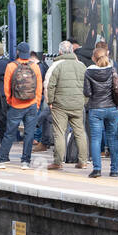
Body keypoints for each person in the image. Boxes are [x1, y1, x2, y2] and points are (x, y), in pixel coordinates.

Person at [0, 42, 43, 169]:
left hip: (16, 105)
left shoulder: (11, 66)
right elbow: (39, 87)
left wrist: (10, 101)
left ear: (18, 52)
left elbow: (6, 87)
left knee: (9, 133)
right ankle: (25, 161)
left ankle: (2, 159)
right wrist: (36, 104)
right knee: (29, 134)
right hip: (31, 104)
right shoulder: (35, 67)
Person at [44, 41, 88, 171]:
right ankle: (83, 161)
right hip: (77, 104)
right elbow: (87, 86)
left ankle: (58, 162)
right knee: (80, 132)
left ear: (61, 52)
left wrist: (50, 102)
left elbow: (49, 85)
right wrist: (83, 101)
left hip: (60, 106)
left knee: (59, 133)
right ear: (72, 51)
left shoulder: (56, 65)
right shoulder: (81, 66)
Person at [83, 44, 118, 178]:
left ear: (94, 58)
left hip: (96, 108)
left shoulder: (89, 72)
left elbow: (87, 92)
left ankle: (97, 169)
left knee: (95, 139)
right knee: (113, 139)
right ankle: (114, 170)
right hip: (112, 108)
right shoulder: (112, 70)